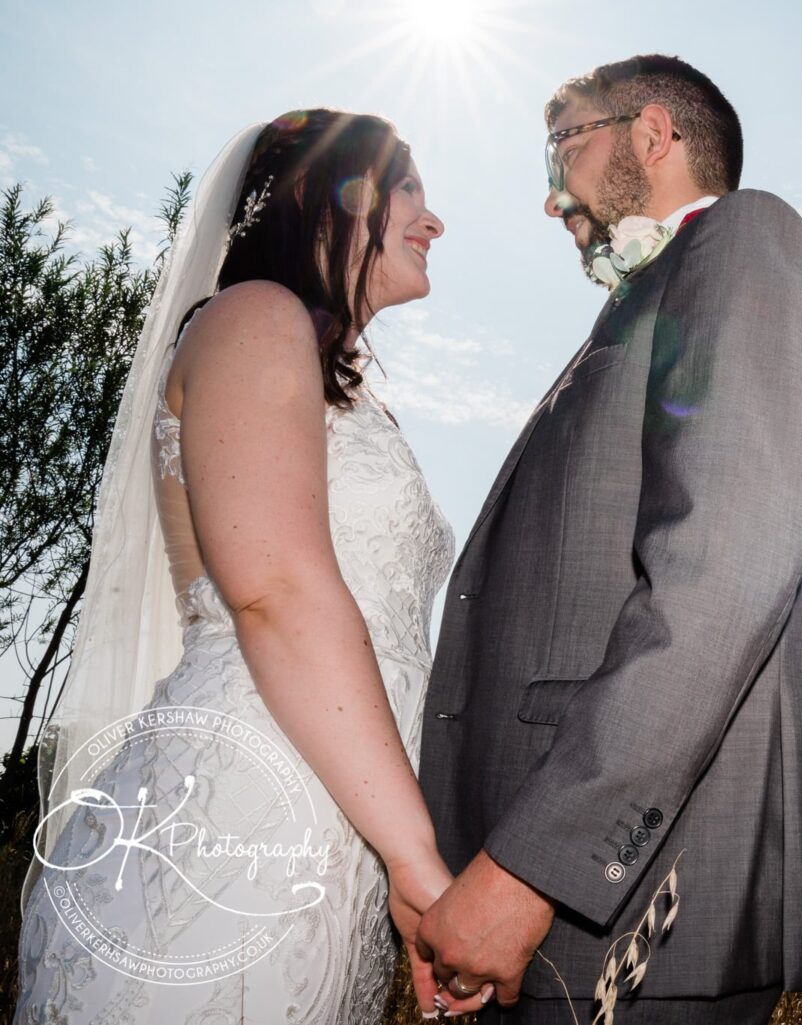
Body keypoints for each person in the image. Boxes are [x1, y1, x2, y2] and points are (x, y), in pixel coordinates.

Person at [12, 109, 485, 1022]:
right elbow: (275, 592)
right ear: (321, 195)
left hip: (339, 829)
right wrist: (417, 855)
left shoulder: (333, 383)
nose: (434, 220)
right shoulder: (253, 317)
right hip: (232, 819)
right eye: (409, 189)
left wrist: (392, 853)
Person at [415, 55, 802, 1024]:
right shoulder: (637, 304)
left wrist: (533, 865)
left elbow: (724, 572)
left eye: (563, 144)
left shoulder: (747, 239)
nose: (549, 194)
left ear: (652, 134)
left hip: (630, 889)